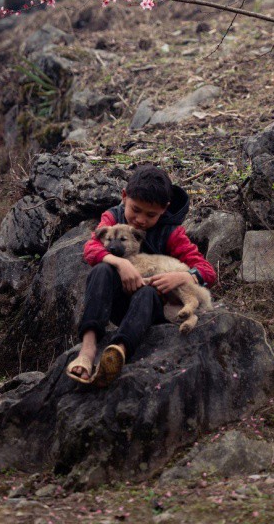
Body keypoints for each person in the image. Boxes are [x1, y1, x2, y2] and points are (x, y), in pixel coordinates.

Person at [65, 163, 216, 387]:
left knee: (147, 293)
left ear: (165, 209)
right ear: (124, 197)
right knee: (102, 269)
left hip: (150, 308)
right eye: (135, 210)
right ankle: (87, 351)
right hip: (118, 303)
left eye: (151, 214)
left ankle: (119, 351)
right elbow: (91, 249)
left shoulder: (172, 233)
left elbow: (207, 271)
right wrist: (120, 263)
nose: (141, 220)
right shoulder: (112, 218)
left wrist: (183, 277)